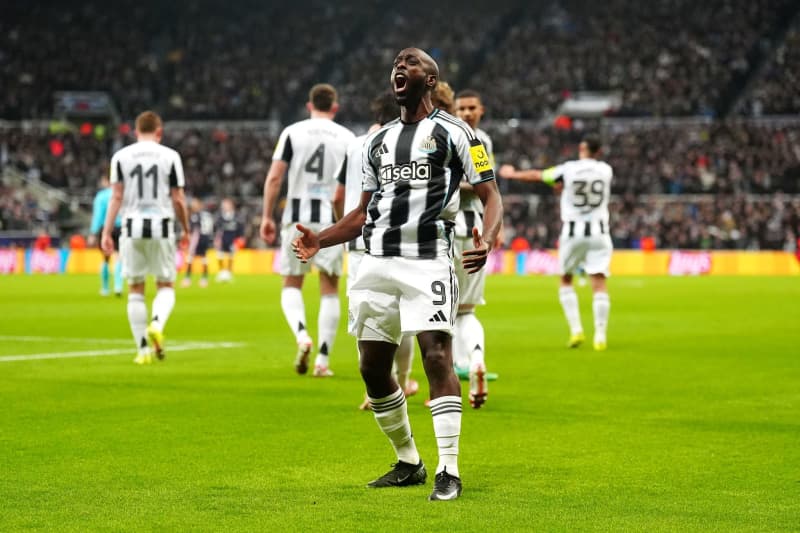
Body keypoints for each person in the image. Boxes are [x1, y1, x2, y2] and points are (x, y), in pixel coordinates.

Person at [292, 48, 503, 501]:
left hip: (427, 258)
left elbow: (491, 194)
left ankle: (450, 468)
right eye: (395, 64)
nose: (399, 67)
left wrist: (487, 236)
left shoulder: (458, 133)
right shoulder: (375, 142)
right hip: (373, 261)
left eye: (411, 62)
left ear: (431, 79)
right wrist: (320, 240)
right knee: (371, 368)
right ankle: (409, 460)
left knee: (437, 357)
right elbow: (361, 213)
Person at [261, 83, 355, 377]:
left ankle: (302, 336)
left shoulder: (293, 132)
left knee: (292, 282)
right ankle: (323, 360)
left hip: (298, 215)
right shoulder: (348, 138)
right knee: (329, 287)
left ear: (309, 105)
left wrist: (266, 215)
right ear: (335, 107)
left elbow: (275, 177)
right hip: (331, 218)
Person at [332, 92, 418, 410]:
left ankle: (373, 389)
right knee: (403, 314)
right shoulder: (406, 142)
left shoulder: (355, 145)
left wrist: (343, 225)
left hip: (358, 243)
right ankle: (403, 379)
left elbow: (337, 195)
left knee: (363, 319)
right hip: (397, 240)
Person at [499, 135, 612, 350]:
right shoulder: (606, 170)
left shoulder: (568, 169)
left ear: (581, 148)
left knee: (566, 280)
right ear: (599, 152)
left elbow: (537, 175)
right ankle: (600, 335)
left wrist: (513, 174)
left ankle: (576, 330)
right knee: (599, 282)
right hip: (600, 232)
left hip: (573, 231)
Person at [102, 110, 190, 365]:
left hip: (131, 227)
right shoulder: (171, 156)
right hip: (161, 226)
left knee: (136, 289)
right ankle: (157, 323)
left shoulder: (120, 156)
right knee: (165, 285)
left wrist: (107, 231)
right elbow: (178, 198)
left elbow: (116, 196)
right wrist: (185, 229)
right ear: (160, 132)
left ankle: (142, 350)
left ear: (135, 131)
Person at [453, 88, 501, 408]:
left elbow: (486, 184)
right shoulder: (480, 142)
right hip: (473, 231)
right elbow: (488, 186)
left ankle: (455, 374)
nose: (467, 113)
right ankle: (474, 359)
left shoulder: (461, 138)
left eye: (472, 107)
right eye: (462, 108)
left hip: (449, 230)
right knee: (465, 310)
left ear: (481, 109)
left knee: (448, 311)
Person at [89, 175, 123, 296]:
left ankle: (105, 288)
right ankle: (118, 286)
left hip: (105, 228)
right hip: (120, 227)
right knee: (119, 257)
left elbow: (98, 216)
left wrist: (93, 232)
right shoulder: (122, 193)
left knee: (105, 258)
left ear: (106, 180)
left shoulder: (101, 196)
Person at [181, 197, 214, 288]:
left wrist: (188, 240)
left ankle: (187, 279)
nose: (192, 206)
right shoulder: (207, 214)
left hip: (198, 238)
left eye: (194, 204)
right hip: (206, 238)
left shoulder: (195, 215)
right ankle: (204, 279)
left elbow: (194, 229)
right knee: (204, 258)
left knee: (190, 258)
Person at [215, 197, 243, 283]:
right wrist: (217, 240)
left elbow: (240, 230)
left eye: (226, 205)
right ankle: (221, 272)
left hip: (232, 240)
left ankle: (229, 274)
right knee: (220, 256)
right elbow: (217, 230)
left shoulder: (236, 217)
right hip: (223, 240)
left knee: (231, 257)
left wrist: (239, 240)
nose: (224, 206)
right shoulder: (220, 217)